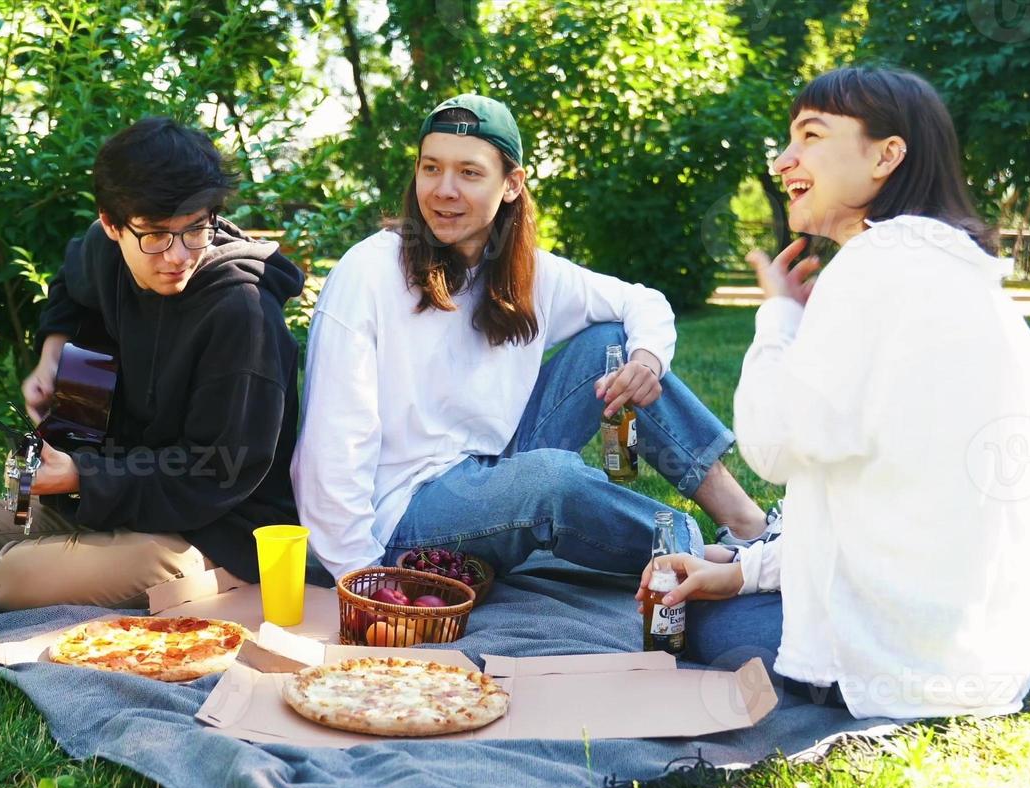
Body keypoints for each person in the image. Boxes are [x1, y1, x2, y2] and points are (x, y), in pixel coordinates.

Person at [641, 66, 1030, 719]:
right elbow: (871, 503)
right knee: (720, 594)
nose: (785, 161)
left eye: (810, 136)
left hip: (906, 670)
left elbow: (772, 449)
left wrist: (779, 318)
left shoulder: (872, 266)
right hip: (979, 648)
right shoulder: (948, 268)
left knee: (702, 632)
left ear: (886, 155)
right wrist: (741, 573)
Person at [0, 117, 306, 667]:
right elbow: (73, 279)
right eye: (156, 235)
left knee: (11, 573)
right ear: (112, 225)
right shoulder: (105, 250)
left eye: (195, 229)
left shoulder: (244, 315)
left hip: (213, 535)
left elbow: (219, 471)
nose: (179, 254)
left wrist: (80, 476)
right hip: (118, 494)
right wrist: (54, 357)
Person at [292, 94, 773, 588]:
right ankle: (705, 556)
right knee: (550, 480)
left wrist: (647, 359)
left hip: (496, 466)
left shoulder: (528, 271)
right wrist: (363, 575)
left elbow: (642, 302)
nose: (444, 190)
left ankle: (749, 525)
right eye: (431, 168)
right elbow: (330, 447)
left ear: (511, 184)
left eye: (469, 173)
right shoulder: (369, 273)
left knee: (613, 343)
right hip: (404, 513)